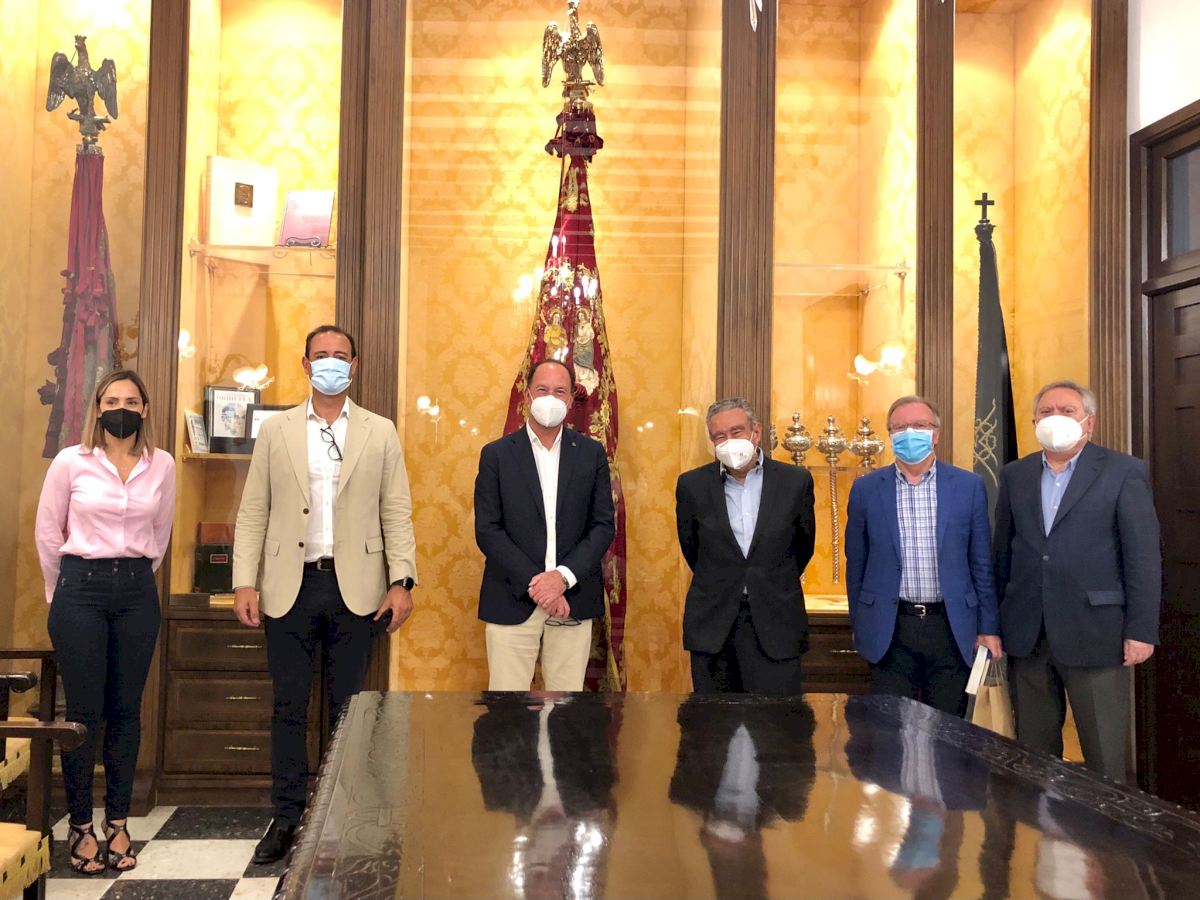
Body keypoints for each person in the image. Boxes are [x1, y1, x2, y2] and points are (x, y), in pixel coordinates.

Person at [233, 325, 418, 863]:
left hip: (357, 590)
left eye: (340, 356)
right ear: (306, 364)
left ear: (354, 366)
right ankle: (287, 818)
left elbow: (396, 510)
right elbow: (254, 509)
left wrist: (402, 581)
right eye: (321, 355)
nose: (331, 363)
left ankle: (342, 815)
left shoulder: (380, 431)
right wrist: (245, 580)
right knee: (289, 707)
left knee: (349, 711)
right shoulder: (277, 430)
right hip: (289, 585)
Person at [35, 370, 176, 874]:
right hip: (80, 590)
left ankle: (117, 822)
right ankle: (79, 825)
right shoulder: (71, 461)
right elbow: (48, 534)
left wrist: (130, 578)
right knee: (83, 714)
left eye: (131, 401)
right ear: (97, 408)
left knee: (125, 712)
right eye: (112, 400)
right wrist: (62, 594)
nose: (121, 408)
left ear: (145, 409)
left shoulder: (162, 465)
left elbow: (160, 535)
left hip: (136, 591)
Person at [993, 380, 1161, 781]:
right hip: (1028, 633)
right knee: (1033, 757)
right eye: (1046, 411)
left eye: (1067, 411)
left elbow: (1142, 558)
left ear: (1089, 422)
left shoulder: (1123, 471)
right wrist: (993, 624)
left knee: (1104, 758)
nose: (1056, 418)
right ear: (1034, 422)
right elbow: (1002, 554)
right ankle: (1036, 821)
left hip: (1098, 633)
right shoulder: (1015, 474)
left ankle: (1107, 824)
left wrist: (1141, 631)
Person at [845, 395, 1001, 715]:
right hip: (891, 628)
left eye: (919, 425)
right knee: (890, 729)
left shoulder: (968, 486)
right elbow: (856, 564)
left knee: (947, 730)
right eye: (899, 427)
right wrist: (861, 623)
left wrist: (988, 627)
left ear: (936, 433)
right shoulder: (866, 489)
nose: (909, 433)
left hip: (951, 627)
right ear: (890, 435)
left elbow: (981, 563)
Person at [473, 358, 615, 691]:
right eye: (542, 389)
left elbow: (602, 526)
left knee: (564, 709)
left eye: (560, 391)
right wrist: (540, 586)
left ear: (571, 399)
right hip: (511, 597)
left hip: (573, 598)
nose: (551, 398)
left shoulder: (591, 454)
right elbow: (488, 530)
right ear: (527, 395)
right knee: (508, 709)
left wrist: (561, 578)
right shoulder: (496, 455)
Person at [675, 398, 815, 696]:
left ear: (756, 432)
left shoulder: (795, 482)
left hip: (776, 623)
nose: (729, 441)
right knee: (714, 723)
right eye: (719, 436)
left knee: (778, 721)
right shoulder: (692, 486)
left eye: (736, 431)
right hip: (714, 626)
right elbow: (692, 549)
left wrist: (765, 577)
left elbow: (803, 546)